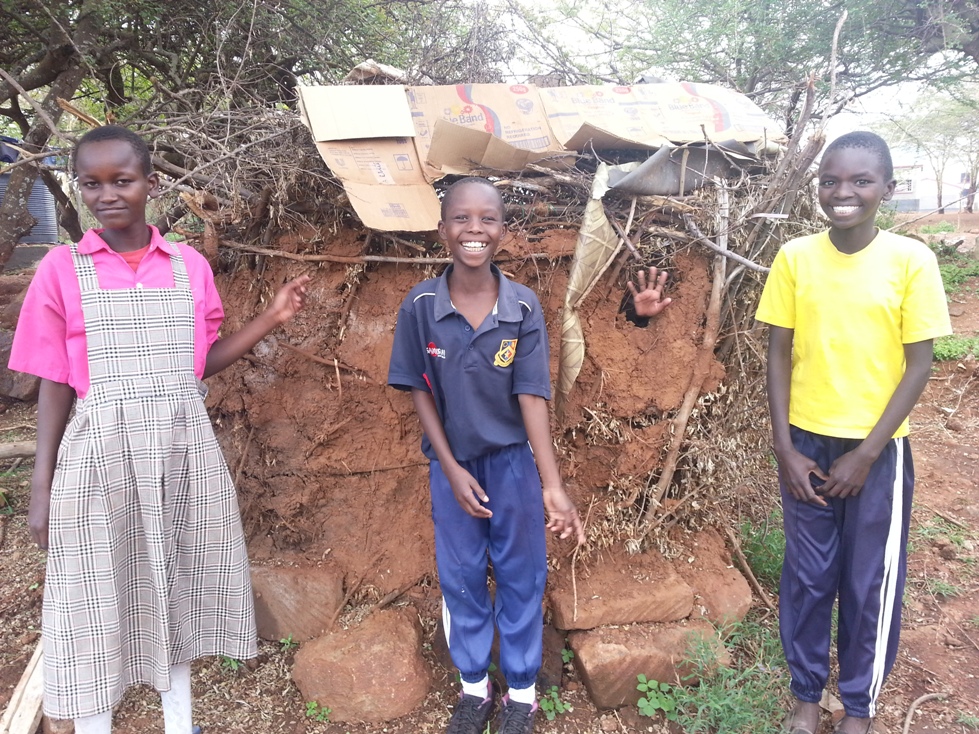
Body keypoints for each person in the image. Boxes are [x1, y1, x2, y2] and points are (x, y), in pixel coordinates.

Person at [9, 125, 310, 734]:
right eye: (91, 183)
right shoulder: (61, 270)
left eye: (122, 180)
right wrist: (42, 484)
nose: (107, 195)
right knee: (94, 594)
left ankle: (180, 722)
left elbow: (198, 363)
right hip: (99, 453)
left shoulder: (188, 266)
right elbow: (53, 382)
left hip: (181, 449)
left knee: (175, 582)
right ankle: (95, 723)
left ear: (150, 183)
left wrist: (272, 318)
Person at [755, 131, 951, 734]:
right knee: (809, 578)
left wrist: (867, 453)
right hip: (807, 449)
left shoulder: (911, 260)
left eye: (861, 181)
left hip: (878, 453)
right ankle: (807, 697)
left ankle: (860, 706)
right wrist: (785, 447)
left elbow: (919, 364)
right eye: (831, 180)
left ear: (887, 190)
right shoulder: (795, 257)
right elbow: (778, 353)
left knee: (869, 583)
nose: (844, 192)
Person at [387, 177, 585, 734]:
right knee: (462, 576)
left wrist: (552, 484)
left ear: (503, 230)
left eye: (488, 219)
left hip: (513, 465)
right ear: (443, 227)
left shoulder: (521, 306)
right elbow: (418, 388)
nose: (474, 230)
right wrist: (449, 468)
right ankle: (474, 688)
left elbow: (531, 396)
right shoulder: (422, 305)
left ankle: (521, 694)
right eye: (461, 218)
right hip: (453, 469)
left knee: (522, 574)